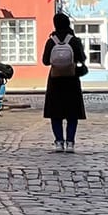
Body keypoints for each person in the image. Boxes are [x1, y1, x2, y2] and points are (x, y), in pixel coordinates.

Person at [41, 12, 87, 152]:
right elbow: (82, 58)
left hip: (55, 80)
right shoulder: (74, 40)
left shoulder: (51, 41)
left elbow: (45, 61)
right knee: (72, 114)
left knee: (56, 114)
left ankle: (59, 142)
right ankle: (71, 142)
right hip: (71, 80)